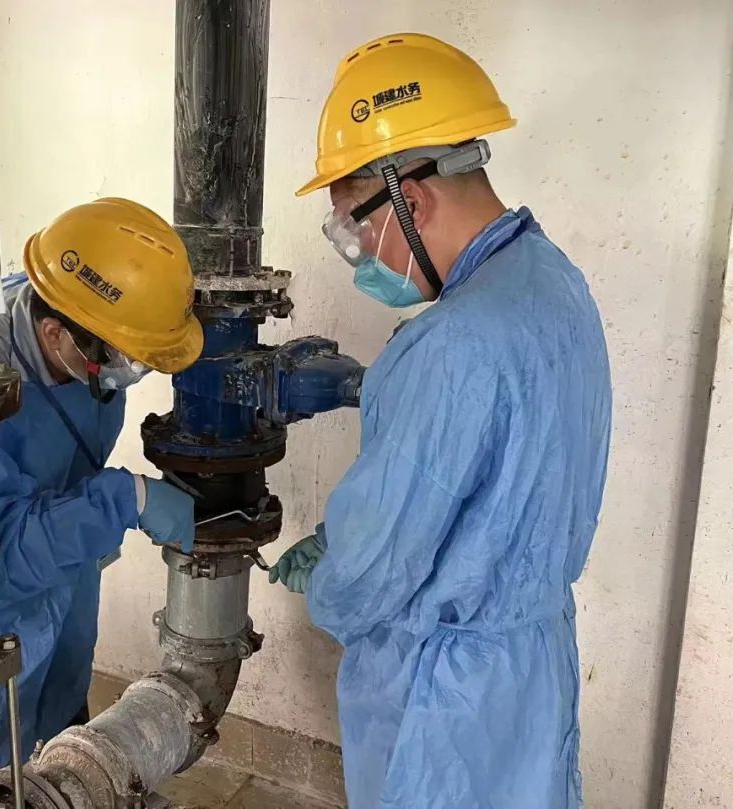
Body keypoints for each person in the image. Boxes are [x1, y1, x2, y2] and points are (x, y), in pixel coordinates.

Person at [269, 34, 612, 808]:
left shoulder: (450, 345)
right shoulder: (554, 281)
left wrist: (329, 576)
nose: (359, 255)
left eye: (354, 230)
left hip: (444, 704)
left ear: (411, 202)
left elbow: (373, 569)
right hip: (528, 672)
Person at [0, 198, 203, 765]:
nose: (131, 376)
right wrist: (126, 499)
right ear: (54, 332)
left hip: (70, 570)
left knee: (64, 726)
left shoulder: (87, 342)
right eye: (126, 362)